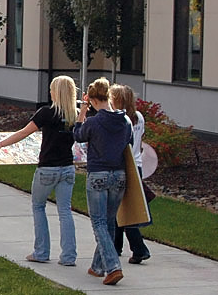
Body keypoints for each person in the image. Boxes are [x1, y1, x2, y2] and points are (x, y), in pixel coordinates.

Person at [0, 75, 78, 266]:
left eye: (52, 89)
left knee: (38, 206)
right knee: (65, 211)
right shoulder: (75, 115)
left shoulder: (46, 113)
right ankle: (69, 256)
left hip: (47, 169)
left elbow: (23, 133)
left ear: (56, 93)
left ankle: (42, 252)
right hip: (68, 168)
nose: (50, 92)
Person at [73, 77, 132, 286]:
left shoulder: (93, 122)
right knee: (108, 222)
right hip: (119, 175)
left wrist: (82, 111)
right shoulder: (125, 121)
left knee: (98, 223)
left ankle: (113, 267)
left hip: (98, 174)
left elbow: (78, 135)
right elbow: (128, 143)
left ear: (93, 100)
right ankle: (97, 267)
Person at [110, 84, 151, 265]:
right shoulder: (138, 117)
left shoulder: (118, 119)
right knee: (120, 207)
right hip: (137, 164)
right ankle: (115, 245)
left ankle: (139, 249)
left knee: (127, 210)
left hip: (124, 165)